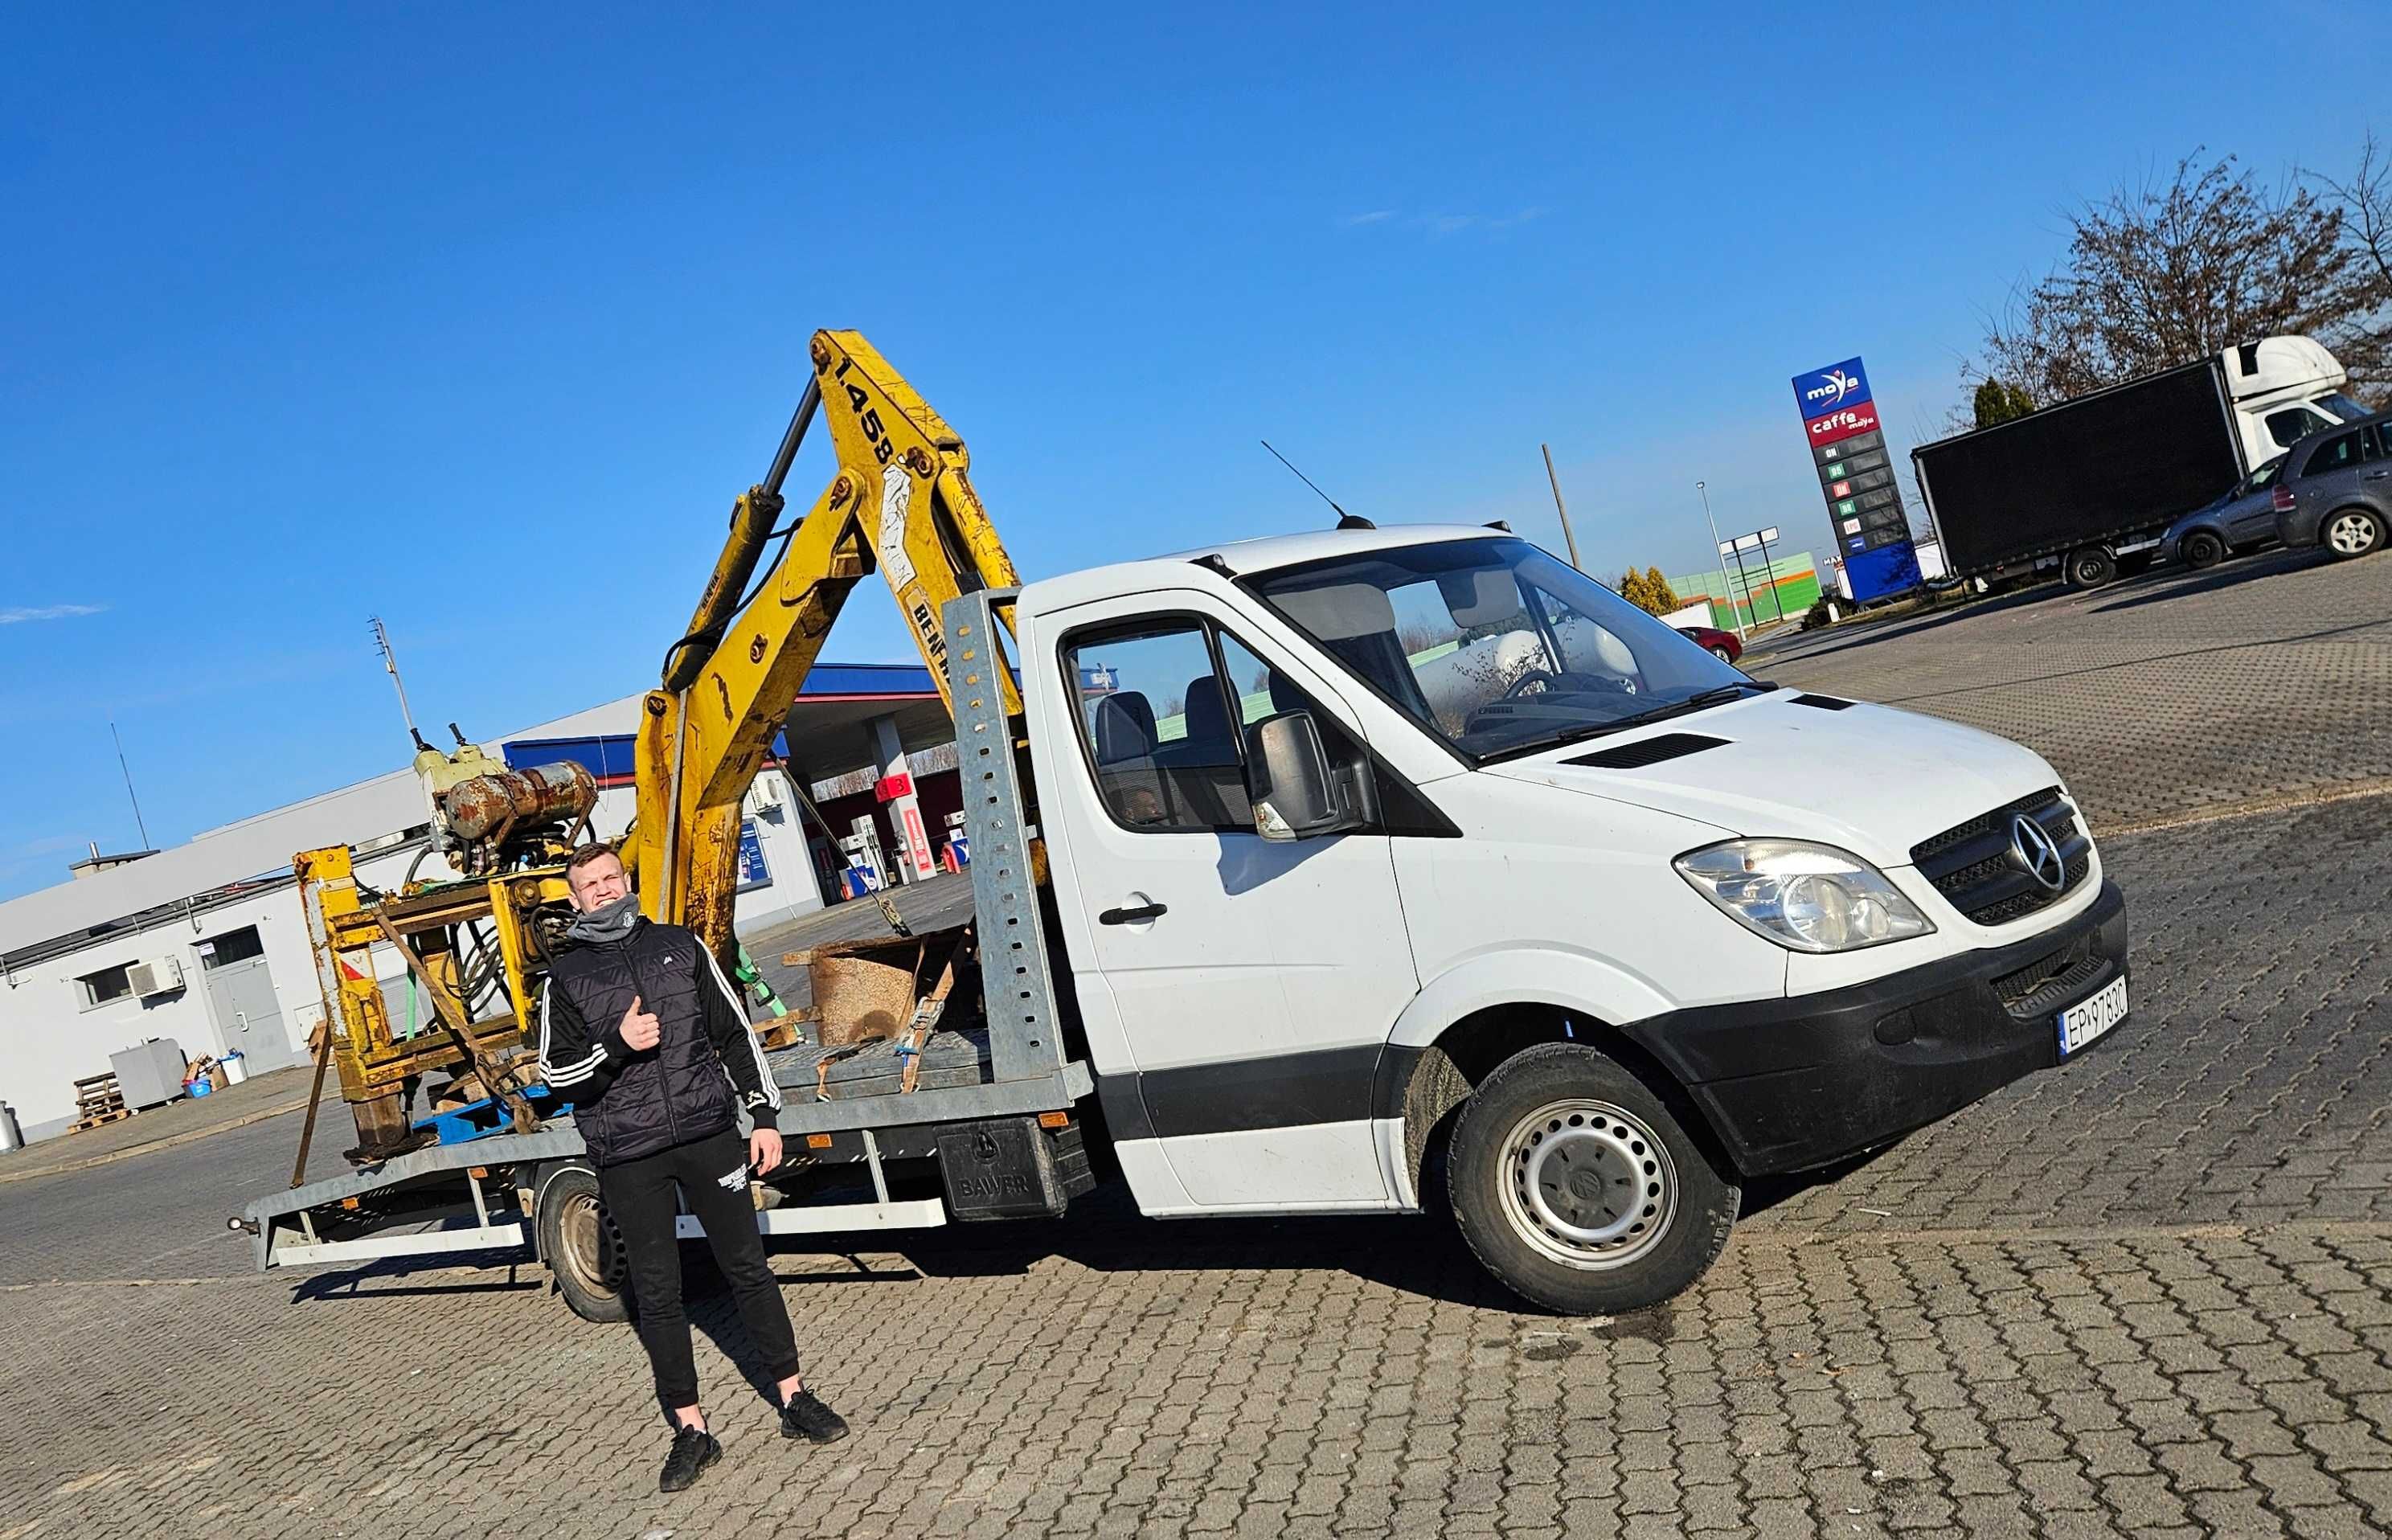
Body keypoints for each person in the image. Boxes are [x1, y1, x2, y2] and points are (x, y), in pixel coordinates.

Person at [538, 842, 849, 1493]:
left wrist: (763, 1117)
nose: (600, 890)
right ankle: (691, 1430)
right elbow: (556, 1075)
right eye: (587, 885)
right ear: (573, 899)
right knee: (657, 1293)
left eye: (608, 878)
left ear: (627, 881)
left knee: (748, 1270)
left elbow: (734, 1034)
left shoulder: (680, 946)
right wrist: (615, 1046)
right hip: (628, 1154)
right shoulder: (564, 978)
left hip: (709, 1136)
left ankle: (795, 1399)